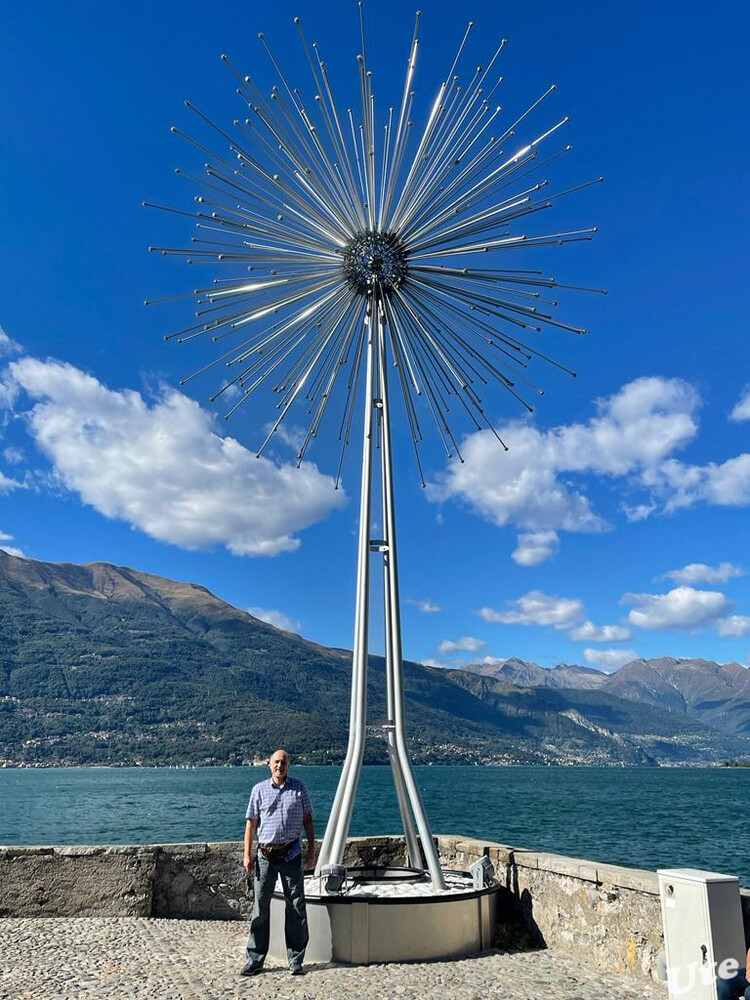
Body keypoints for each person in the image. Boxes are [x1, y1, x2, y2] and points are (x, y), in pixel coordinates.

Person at [240, 749, 315, 977]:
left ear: (288, 765)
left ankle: (295, 960)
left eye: (283, 762)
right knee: (260, 909)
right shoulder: (259, 790)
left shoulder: (299, 788)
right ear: (269, 765)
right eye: (276, 762)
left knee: (296, 908)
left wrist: (311, 851)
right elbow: (251, 824)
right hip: (265, 857)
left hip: (291, 854)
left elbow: (308, 820)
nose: (279, 766)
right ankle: (255, 959)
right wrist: (247, 854)